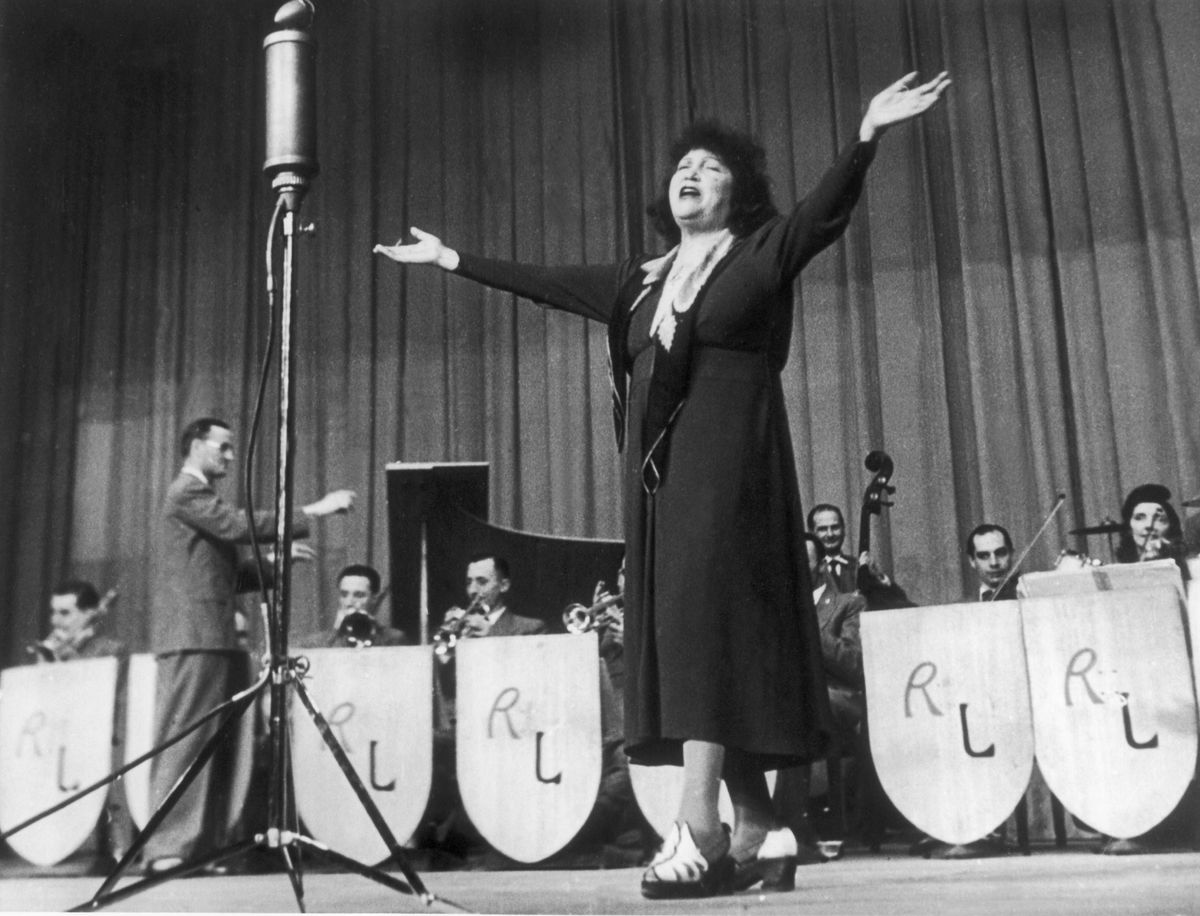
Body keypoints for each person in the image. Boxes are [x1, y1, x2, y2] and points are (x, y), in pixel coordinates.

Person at [376, 70, 950, 898]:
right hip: (663, 484)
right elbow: (541, 280)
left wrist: (867, 134)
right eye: (682, 165)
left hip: (734, 475)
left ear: (738, 192)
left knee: (700, 634)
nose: (690, 173)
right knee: (695, 636)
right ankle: (762, 829)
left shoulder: (759, 255)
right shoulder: (639, 282)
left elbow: (825, 213)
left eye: (711, 167)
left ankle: (697, 824)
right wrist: (449, 259)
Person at [146, 416, 355, 873]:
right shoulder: (186, 491)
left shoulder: (198, 498)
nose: (229, 455)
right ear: (196, 445)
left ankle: (197, 848)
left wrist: (274, 562)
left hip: (213, 636)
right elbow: (236, 525)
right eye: (222, 447)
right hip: (193, 637)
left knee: (215, 745)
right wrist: (314, 511)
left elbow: (225, 575)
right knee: (186, 742)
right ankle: (167, 848)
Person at [808, 503, 912, 609]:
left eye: (835, 527)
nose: (830, 534)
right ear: (812, 533)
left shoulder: (860, 567)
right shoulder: (807, 570)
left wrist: (878, 577)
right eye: (822, 529)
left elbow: (898, 600)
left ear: (843, 530)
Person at [294, 563, 408, 648]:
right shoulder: (315, 642)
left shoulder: (394, 638)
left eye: (359, 595)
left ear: (374, 599)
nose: (349, 602)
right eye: (344, 594)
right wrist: (336, 633)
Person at [29, 580, 124, 663]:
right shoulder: (48, 651)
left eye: (64, 613)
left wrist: (71, 660)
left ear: (88, 614)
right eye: (53, 612)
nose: (54, 620)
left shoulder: (111, 650)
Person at [965, 524, 1018, 602]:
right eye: (984, 556)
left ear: (1011, 554)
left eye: (1000, 553)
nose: (994, 563)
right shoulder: (958, 609)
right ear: (972, 561)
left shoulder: (1029, 598)